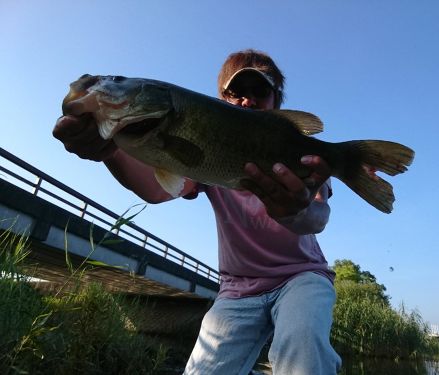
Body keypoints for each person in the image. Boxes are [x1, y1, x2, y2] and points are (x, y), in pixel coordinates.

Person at [53, 49, 342, 375]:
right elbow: (156, 188)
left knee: (304, 350)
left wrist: (295, 211)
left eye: (259, 91)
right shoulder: (207, 153)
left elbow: (317, 218)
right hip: (236, 289)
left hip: (302, 277)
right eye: (235, 93)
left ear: (277, 101)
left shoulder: (304, 157)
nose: (247, 100)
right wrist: (108, 149)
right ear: (220, 100)